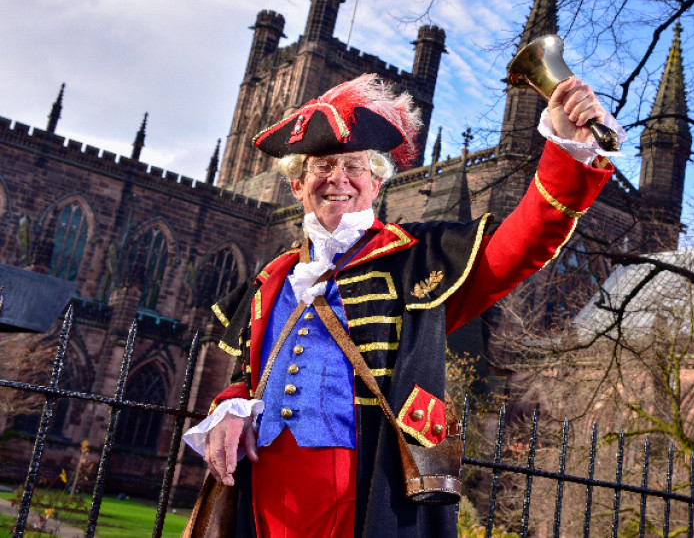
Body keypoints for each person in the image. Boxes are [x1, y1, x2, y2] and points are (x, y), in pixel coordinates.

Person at [183, 73, 623, 537]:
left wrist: (568, 153)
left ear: (376, 183)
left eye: (354, 166)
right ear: (297, 185)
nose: (338, 179)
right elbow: (246, 377)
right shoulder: (269, 281)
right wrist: (231, 407)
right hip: (265, 491)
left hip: (369, 490)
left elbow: (524, 243)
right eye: (321, 166)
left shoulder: (419, 260)